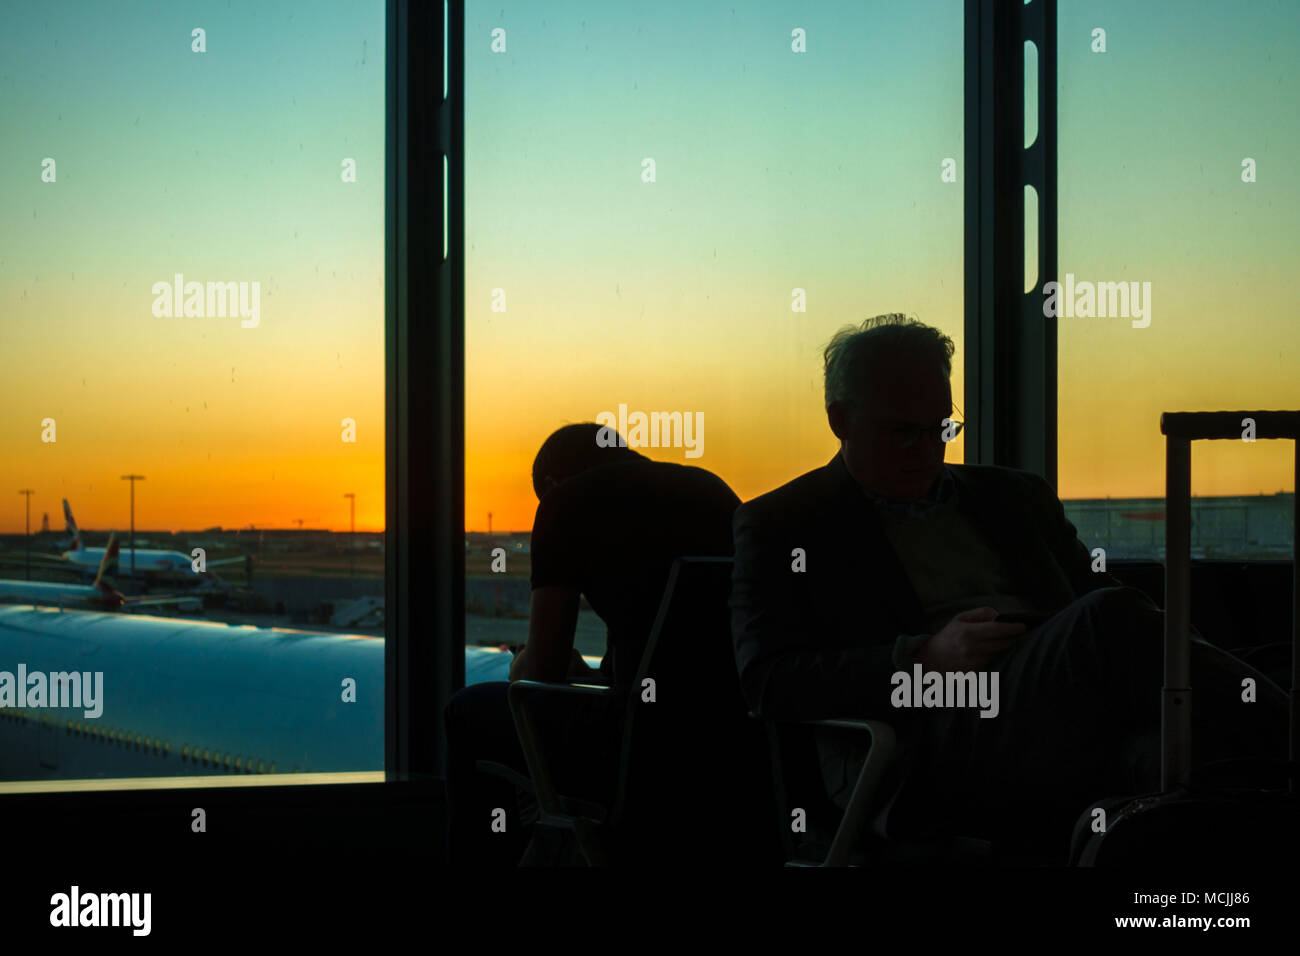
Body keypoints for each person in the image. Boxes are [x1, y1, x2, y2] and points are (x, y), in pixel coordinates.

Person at [730, 313, 1288, 858]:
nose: (926, 449)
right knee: (1111, 621)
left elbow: (1121, 615)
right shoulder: (786, 524)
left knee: (1179, 758)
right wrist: (922, 659)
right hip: (928, 727)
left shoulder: (1015, 498)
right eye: (902, 431)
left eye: (942, 428)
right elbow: (767, 679)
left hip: (1062, 698)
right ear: (841, 420)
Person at [445, 423, 740, 866]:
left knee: (466, 710)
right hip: (727, 749)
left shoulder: (568, 501)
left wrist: (521, 663)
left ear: (551, 484)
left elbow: (540, 674)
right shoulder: (712, 490)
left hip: (634, 752)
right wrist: (598, 675)